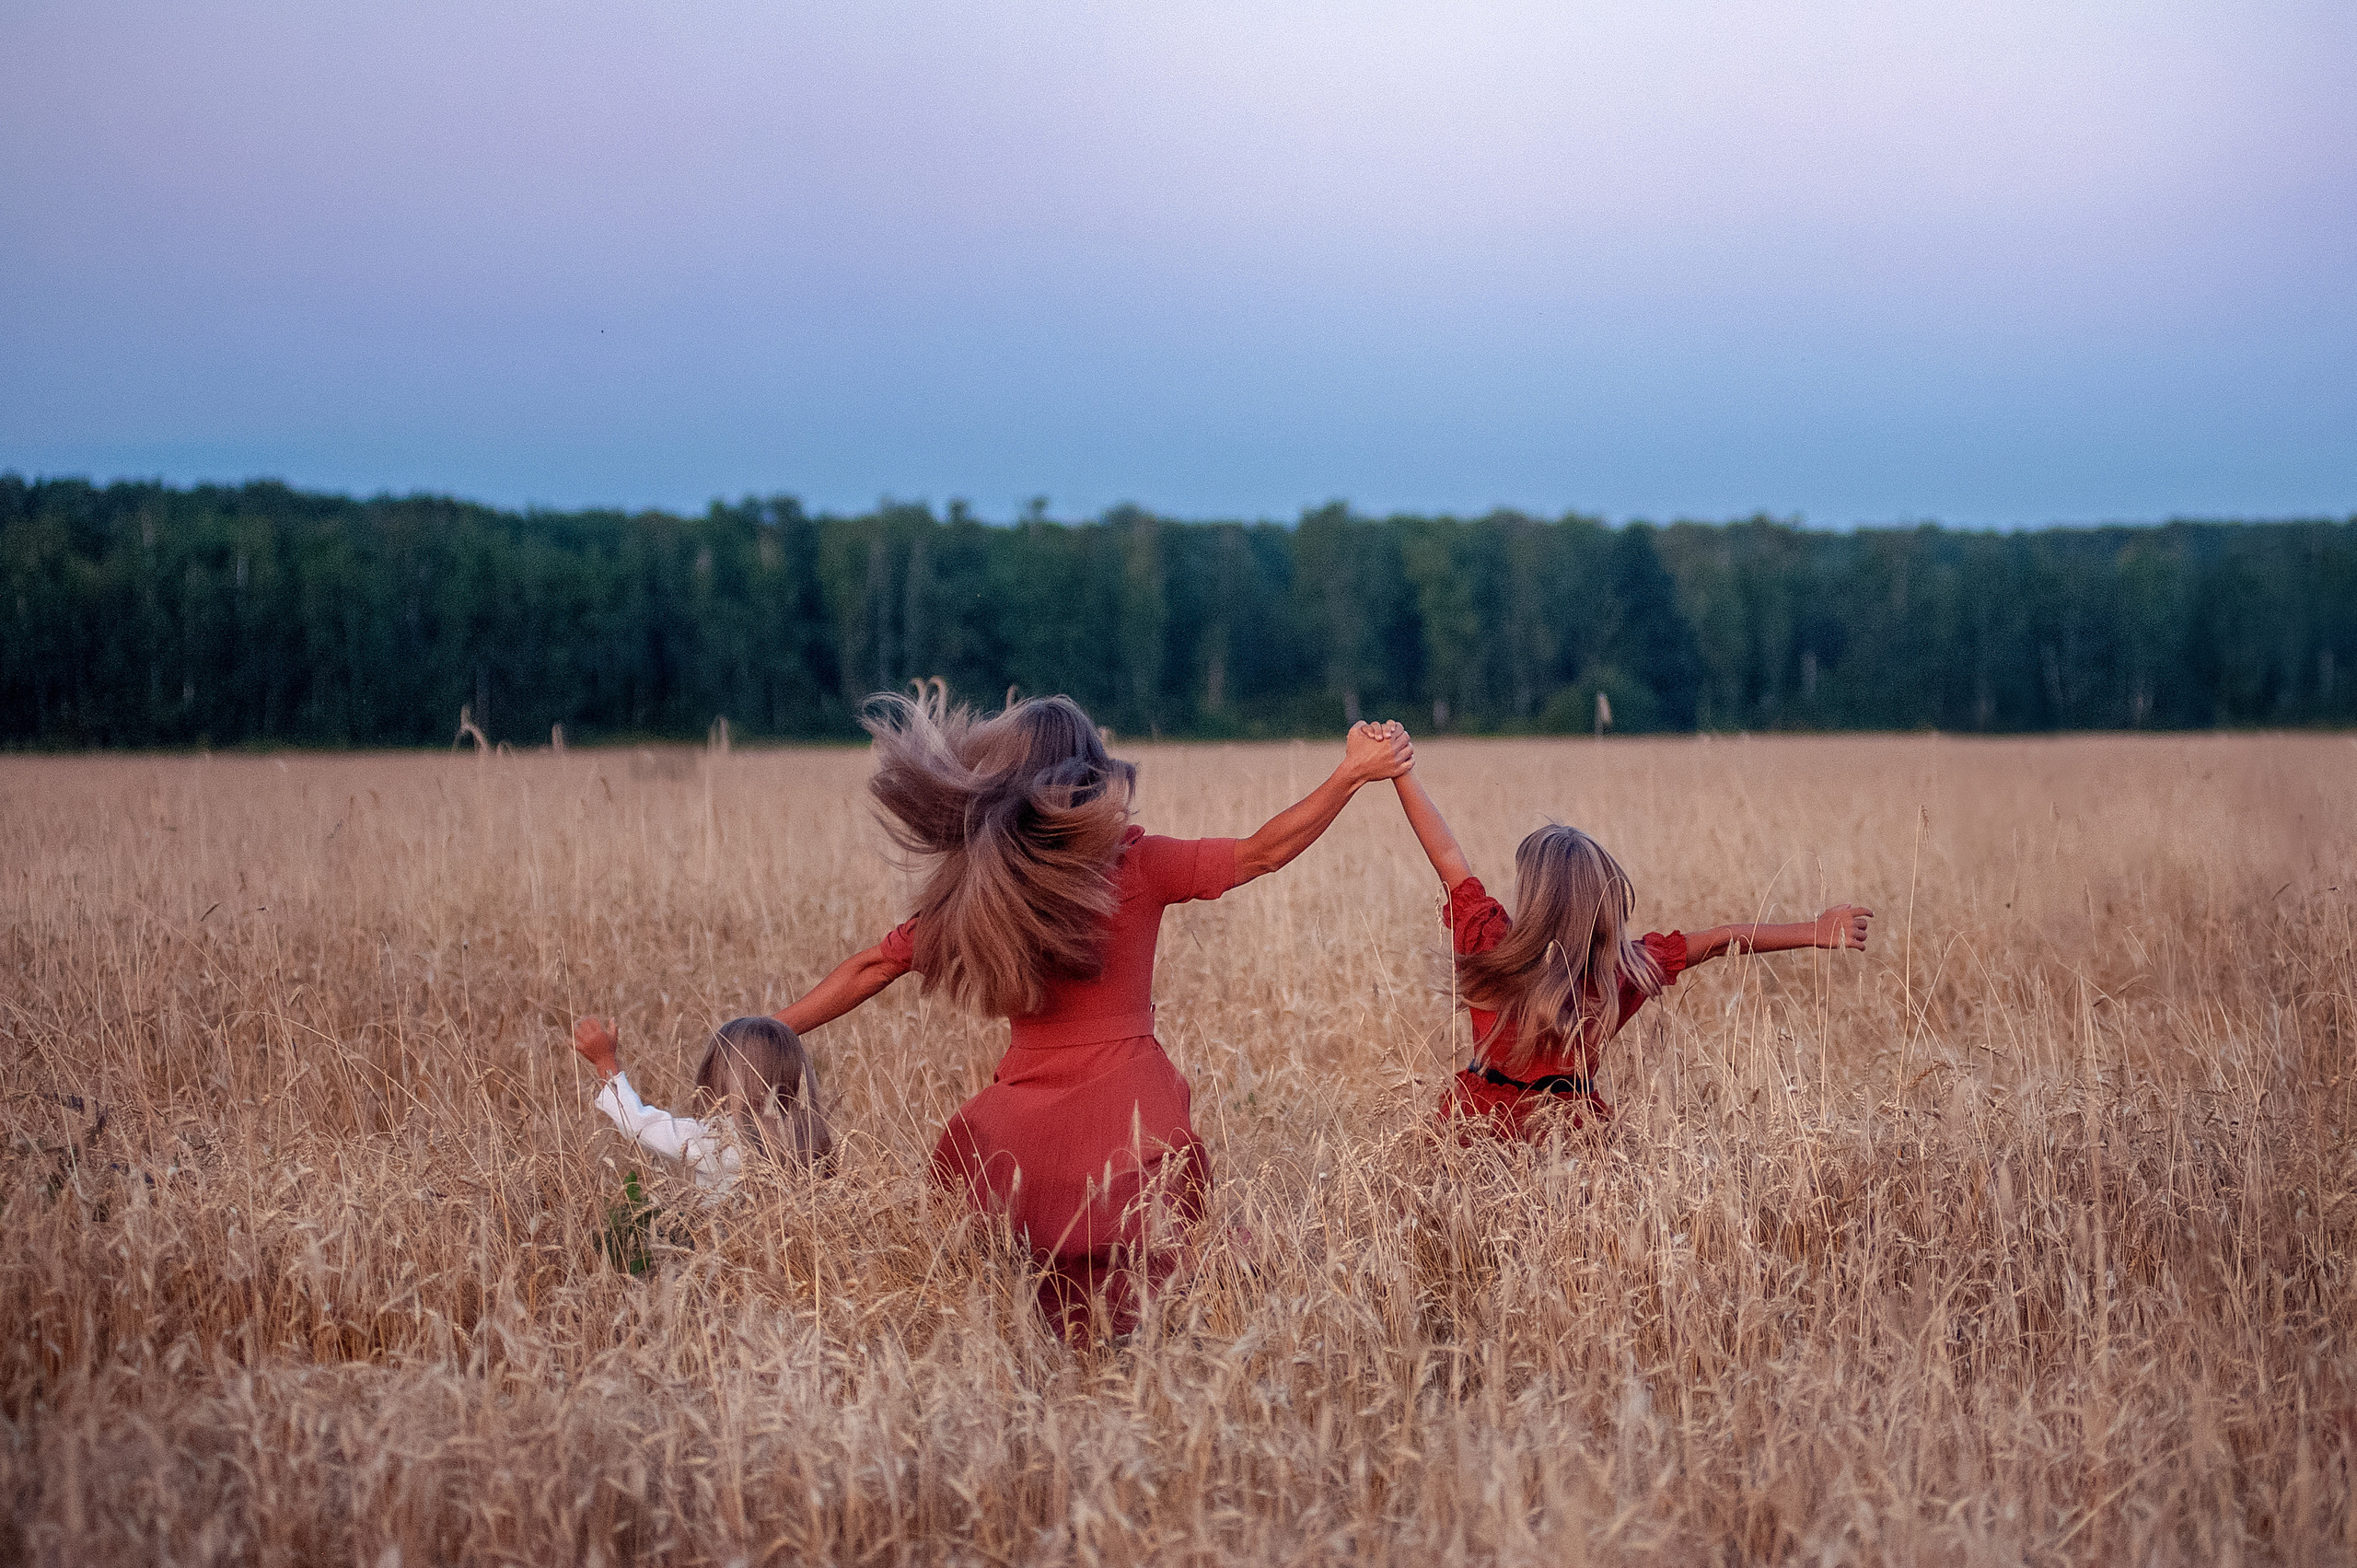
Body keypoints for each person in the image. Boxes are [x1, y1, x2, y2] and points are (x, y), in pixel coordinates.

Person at [772, 688, 1414, 1339]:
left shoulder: (987, 891)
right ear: (1093, 771)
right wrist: (1351, 774)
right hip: (1130, 1120)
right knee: (1181, 1279)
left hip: (1019, 1138)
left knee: (1020, 1291)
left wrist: (766, 1033)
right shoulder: (1139, 863)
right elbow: (1261, 852)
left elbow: (870, 967)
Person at [1387, 760, 1871, 1142]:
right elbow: (1723, 939)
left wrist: (1400, 770)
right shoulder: (1619, 973)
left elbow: (1447, 855)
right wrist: (1815, 930)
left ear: (1530, 894)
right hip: (1570, 1130)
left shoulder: (1489, 941)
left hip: (1474, 1125)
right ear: (1602, 904)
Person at [569, 1013, 834, 1191]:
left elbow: (639, 1124)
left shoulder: (713, 1140)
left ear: (716, 1073)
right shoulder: (808, 1137)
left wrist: (606, 1063)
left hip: (721, 1265)